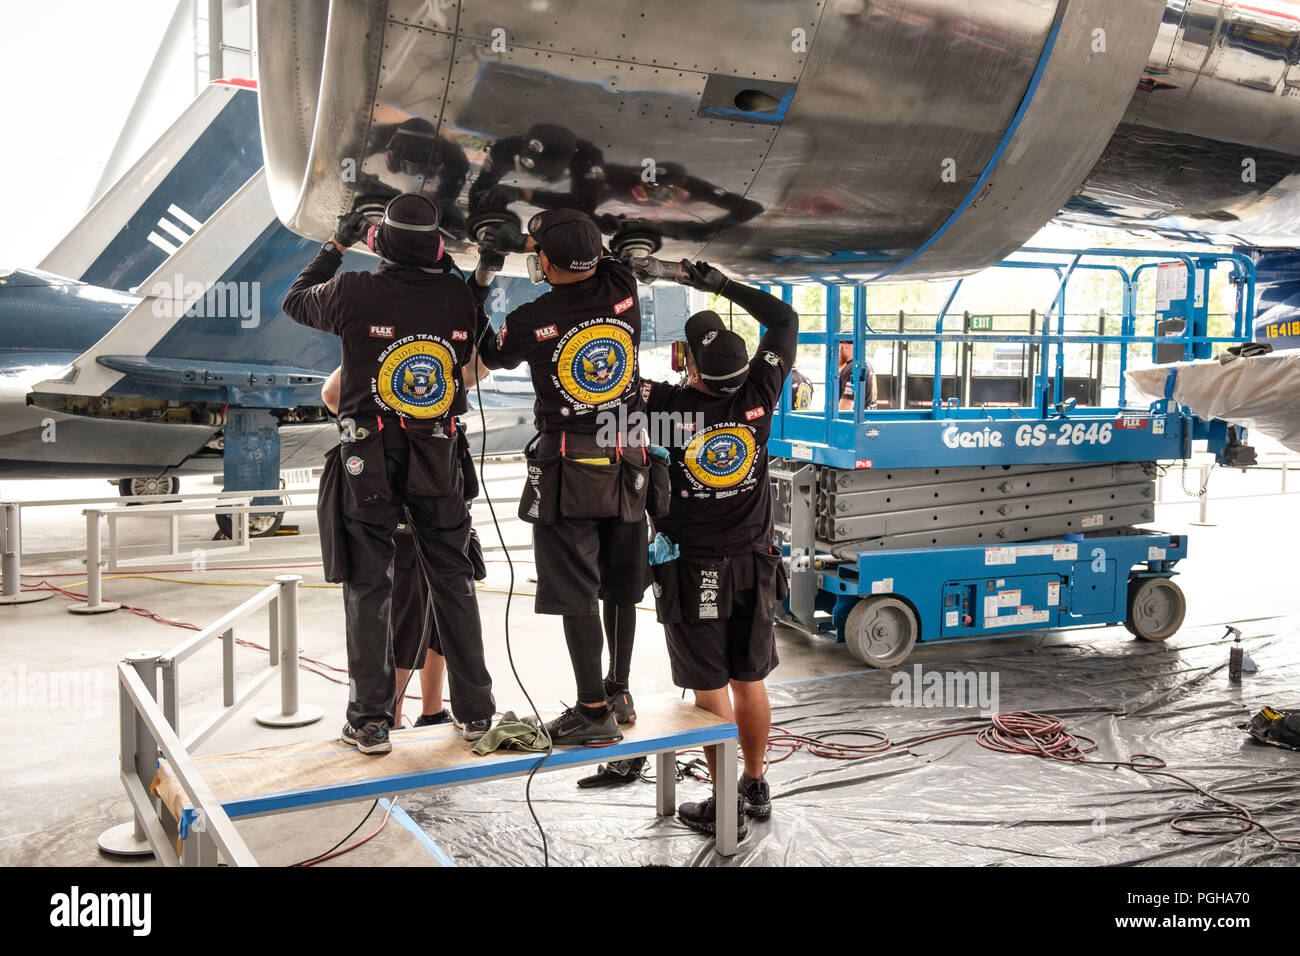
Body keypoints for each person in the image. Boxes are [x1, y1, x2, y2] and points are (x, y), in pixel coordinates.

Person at [283, 192, 495, 755]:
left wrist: (336, 244)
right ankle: (475, 714)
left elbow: (296, 300)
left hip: (368, 458)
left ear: (379, 243)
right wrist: (451, 265)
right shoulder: (456, 296)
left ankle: (372, 721)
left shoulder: (354, 291)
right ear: (437, 246)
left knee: (369, 585)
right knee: (451, 578)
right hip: (437, 454)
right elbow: (481, 331)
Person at [470, 208, 649, 747]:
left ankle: (593, 710)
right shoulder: (622, 286)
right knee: (620, 582)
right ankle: (618, 691)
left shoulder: (532, 318)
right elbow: (607, 255)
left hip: (568, 465)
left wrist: (479, 280)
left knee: (576, 589)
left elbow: (486, 356)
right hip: (629, 457)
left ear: (544, 261)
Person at [637, 259, 798, 840]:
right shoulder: (762, 391)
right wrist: (721, 283)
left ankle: (723, 800)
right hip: (756, 563)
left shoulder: (668, 409)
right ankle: (753, 784)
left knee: (708, 686)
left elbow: (608, 380)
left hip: (696, 570)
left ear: (691, 367)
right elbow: (782, 317)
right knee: (748, 679)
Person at [838, 340, 876, 411]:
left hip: (852, 420)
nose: (838, 354)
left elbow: (846, 406)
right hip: (866, 416)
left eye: (839, 349)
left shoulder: (852, 369)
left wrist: (836, 421)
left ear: (846, 347)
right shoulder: (866, 364)